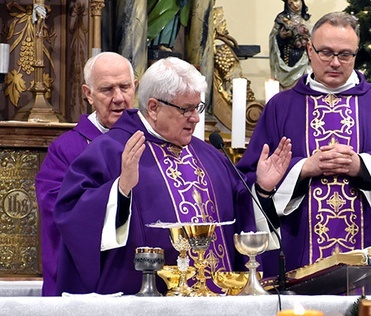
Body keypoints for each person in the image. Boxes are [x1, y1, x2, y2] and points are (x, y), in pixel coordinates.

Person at [54, 56, 291, 295]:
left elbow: (242, 219)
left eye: (197, 107)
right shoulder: (111, 150)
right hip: (148, 315)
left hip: (219, 307)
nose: (196, 118)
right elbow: (73, 217)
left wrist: (262, 189)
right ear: (154, 107)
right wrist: (120, 190)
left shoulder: (211, 156)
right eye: (185, 109)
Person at [238, 11, 371, 277]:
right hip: (300, 253)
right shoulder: (281, 107)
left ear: (356, 54)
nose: (335, 63)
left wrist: (362, 166)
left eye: (345, 55)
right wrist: (303, 168)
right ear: (309, 49)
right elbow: (250, 178)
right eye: (326, 53)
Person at [36, 51, 136, 297]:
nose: (119, 98)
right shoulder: (66, 149)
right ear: (88, 94)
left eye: (125, 87)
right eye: (107, 89)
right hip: (85, 283)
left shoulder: (151, 142)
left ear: (136, 86)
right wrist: (118, 193)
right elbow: (58, 211)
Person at [269, 0, 311, 88]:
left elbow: (312, 38)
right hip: (287, 57)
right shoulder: (281, 18)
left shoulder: (306, 19)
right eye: (291, 3)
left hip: (303, 57)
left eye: (296, 1)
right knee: (287, 86)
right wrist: (281, 37)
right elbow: (273, 38)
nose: (295, 5)